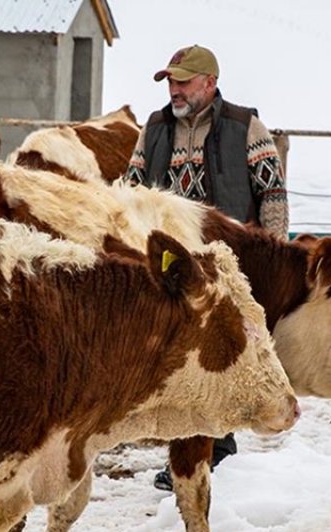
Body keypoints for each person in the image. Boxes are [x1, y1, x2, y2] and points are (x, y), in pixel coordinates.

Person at [126, 44, 290, 491]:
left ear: (209, 83)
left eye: (182, 81)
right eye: (171, 82)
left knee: (223, 351)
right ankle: (194, 446)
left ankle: (215, 448)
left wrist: (270, 252)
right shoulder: (156, 128)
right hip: (171, 265)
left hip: (228, 263)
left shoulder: (244, 127)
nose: (174, 90)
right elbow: (131, 188)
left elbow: (272, 192)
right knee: (178, 354)